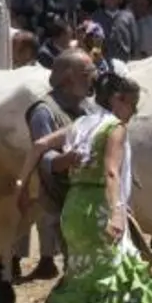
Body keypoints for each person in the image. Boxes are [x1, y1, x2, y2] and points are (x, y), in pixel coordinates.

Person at [12, 64, 152, 303]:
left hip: (74, 208)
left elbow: (40, 146)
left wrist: (22, 185)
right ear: (119, 99)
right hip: (98, 207)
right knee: (110, 281)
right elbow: (111, 172)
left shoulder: (81, 124)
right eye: (132, 106)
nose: (132, 113)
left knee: (81, 280)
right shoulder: (114, 128)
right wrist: (116, 212)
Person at [18, 48, 94, 283]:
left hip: (93, 199)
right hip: (66, 202)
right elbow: (45, 161)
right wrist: (70, 159)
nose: (94, 77)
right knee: (79, 271)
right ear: (70, 77)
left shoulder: (87, 107)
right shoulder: (44, 111)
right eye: (88, 72)